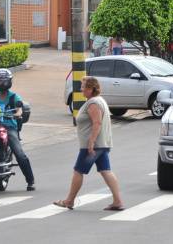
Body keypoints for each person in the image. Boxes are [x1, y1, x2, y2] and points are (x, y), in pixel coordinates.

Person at [53, 77, 124, 211]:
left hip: (92, 146)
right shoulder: (98, 100)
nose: (81, 89)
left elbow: (97, 123)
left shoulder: (93, 103)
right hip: (100, 144)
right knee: (105, 171)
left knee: (78, 171)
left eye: (83, 86)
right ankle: (117, 201)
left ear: (91, 89)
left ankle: (69, 200)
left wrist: (91, 142)